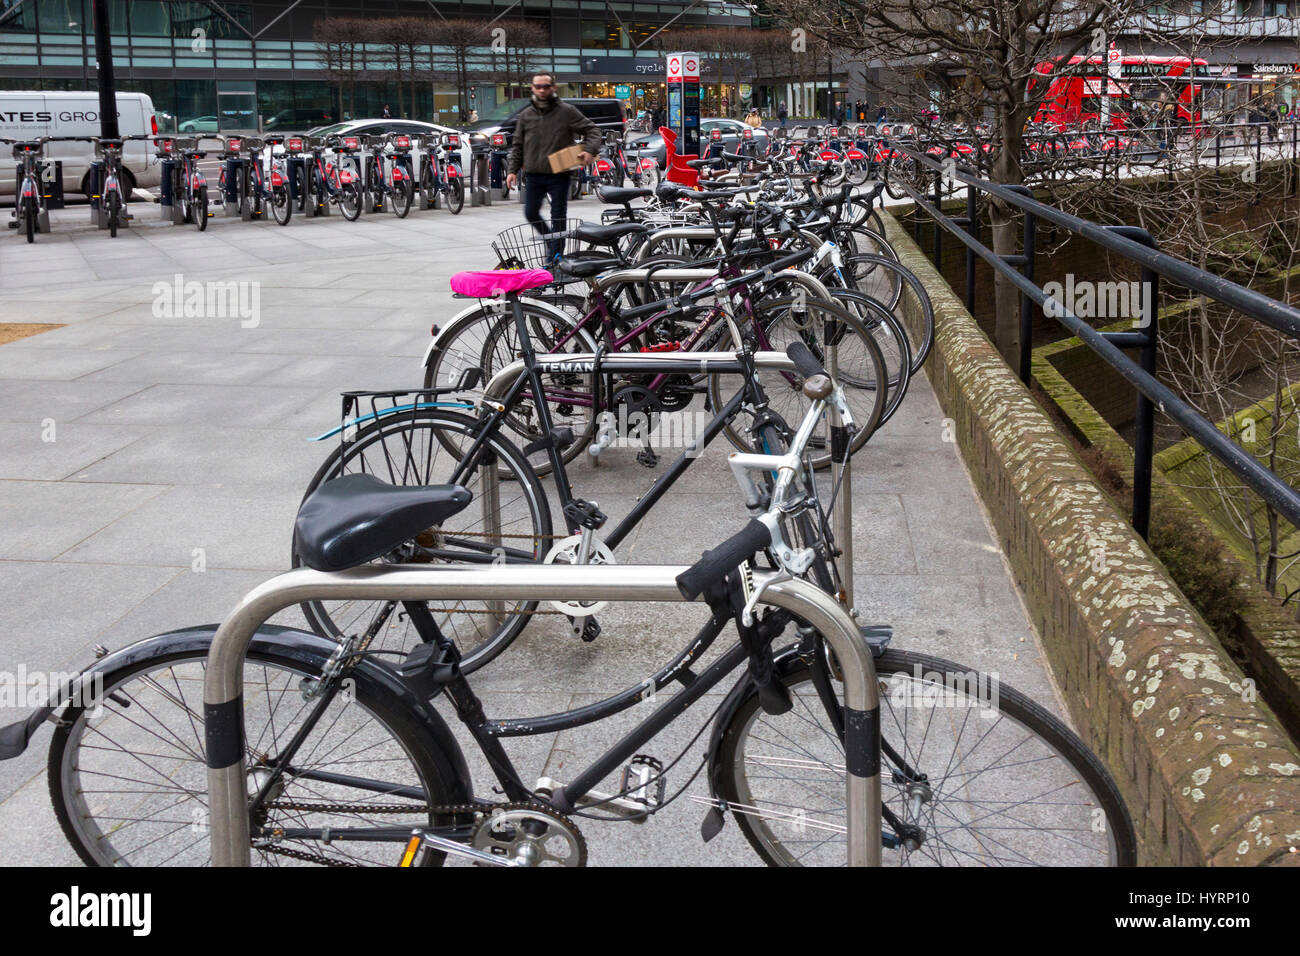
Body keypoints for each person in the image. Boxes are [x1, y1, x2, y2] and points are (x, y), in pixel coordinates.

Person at [505, 72, 601, 261]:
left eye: (546, 86)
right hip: (533, 174)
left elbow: (593, 130)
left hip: (559, 174)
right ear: (532, 88)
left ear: (553, 88)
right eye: (538, 86)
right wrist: (511, 170)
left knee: (558, 216)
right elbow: (517, 145)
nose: (542, 90)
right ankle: (551, 243)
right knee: (530, 212)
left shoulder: (566, 111)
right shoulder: (525, 115)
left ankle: (554, 257)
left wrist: (590, 150)